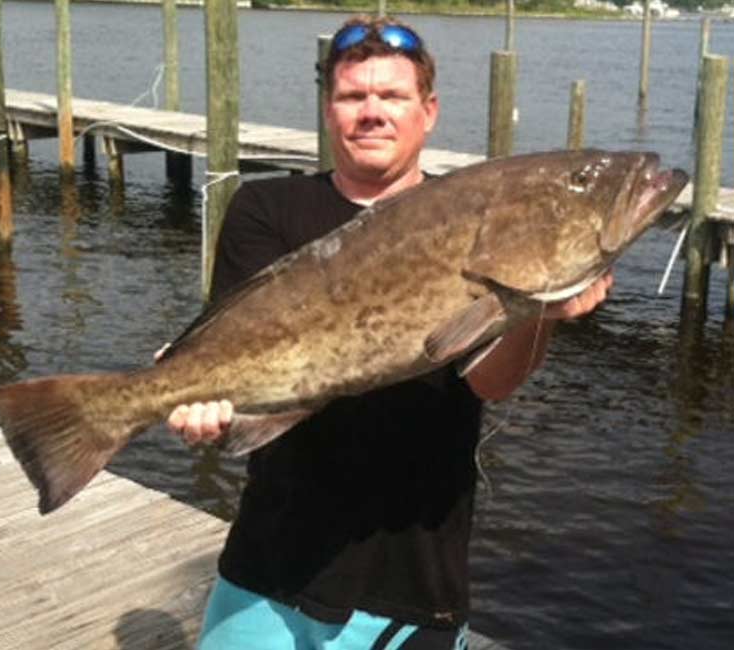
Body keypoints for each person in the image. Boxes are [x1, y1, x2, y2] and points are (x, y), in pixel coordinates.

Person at [165, 15, 613, 650]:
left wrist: (535, 309)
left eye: (393, 97)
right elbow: (223, 354)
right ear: (329, 113)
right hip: (272, 567)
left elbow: (489, 383)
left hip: (416, 583)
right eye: (353, 96)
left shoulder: (481, 218)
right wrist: (193, 398)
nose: (371, 112)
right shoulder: (266, 209)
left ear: (428, 112)